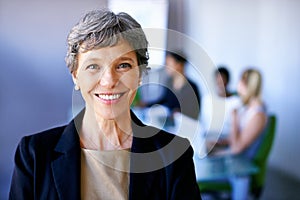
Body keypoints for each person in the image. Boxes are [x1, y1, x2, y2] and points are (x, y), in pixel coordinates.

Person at [9, 10, 201, 199]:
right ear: (76, 76)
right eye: (93, 66)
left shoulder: (174, 155)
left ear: (140, 74)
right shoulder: (34, 154)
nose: (109, 81)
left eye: (123, 65)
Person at [208, 68, 267, 158]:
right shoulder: (247, 109)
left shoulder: (258, 115)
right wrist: (220, 142)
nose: (238, 85)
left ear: (247, 85)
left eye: (240, 81)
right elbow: (239, 137)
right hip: (233, 155)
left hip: (241, 163)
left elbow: (236, 149)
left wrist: (234, 118)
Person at [146, 51, 201, 120]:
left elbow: (195, 112)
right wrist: (146, 105)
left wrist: (179, 113)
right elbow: (164, 100)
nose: (166, 67)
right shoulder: (169, 82)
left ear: (179, 65)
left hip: (185, 125)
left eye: (168, 64)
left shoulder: (193, 87)